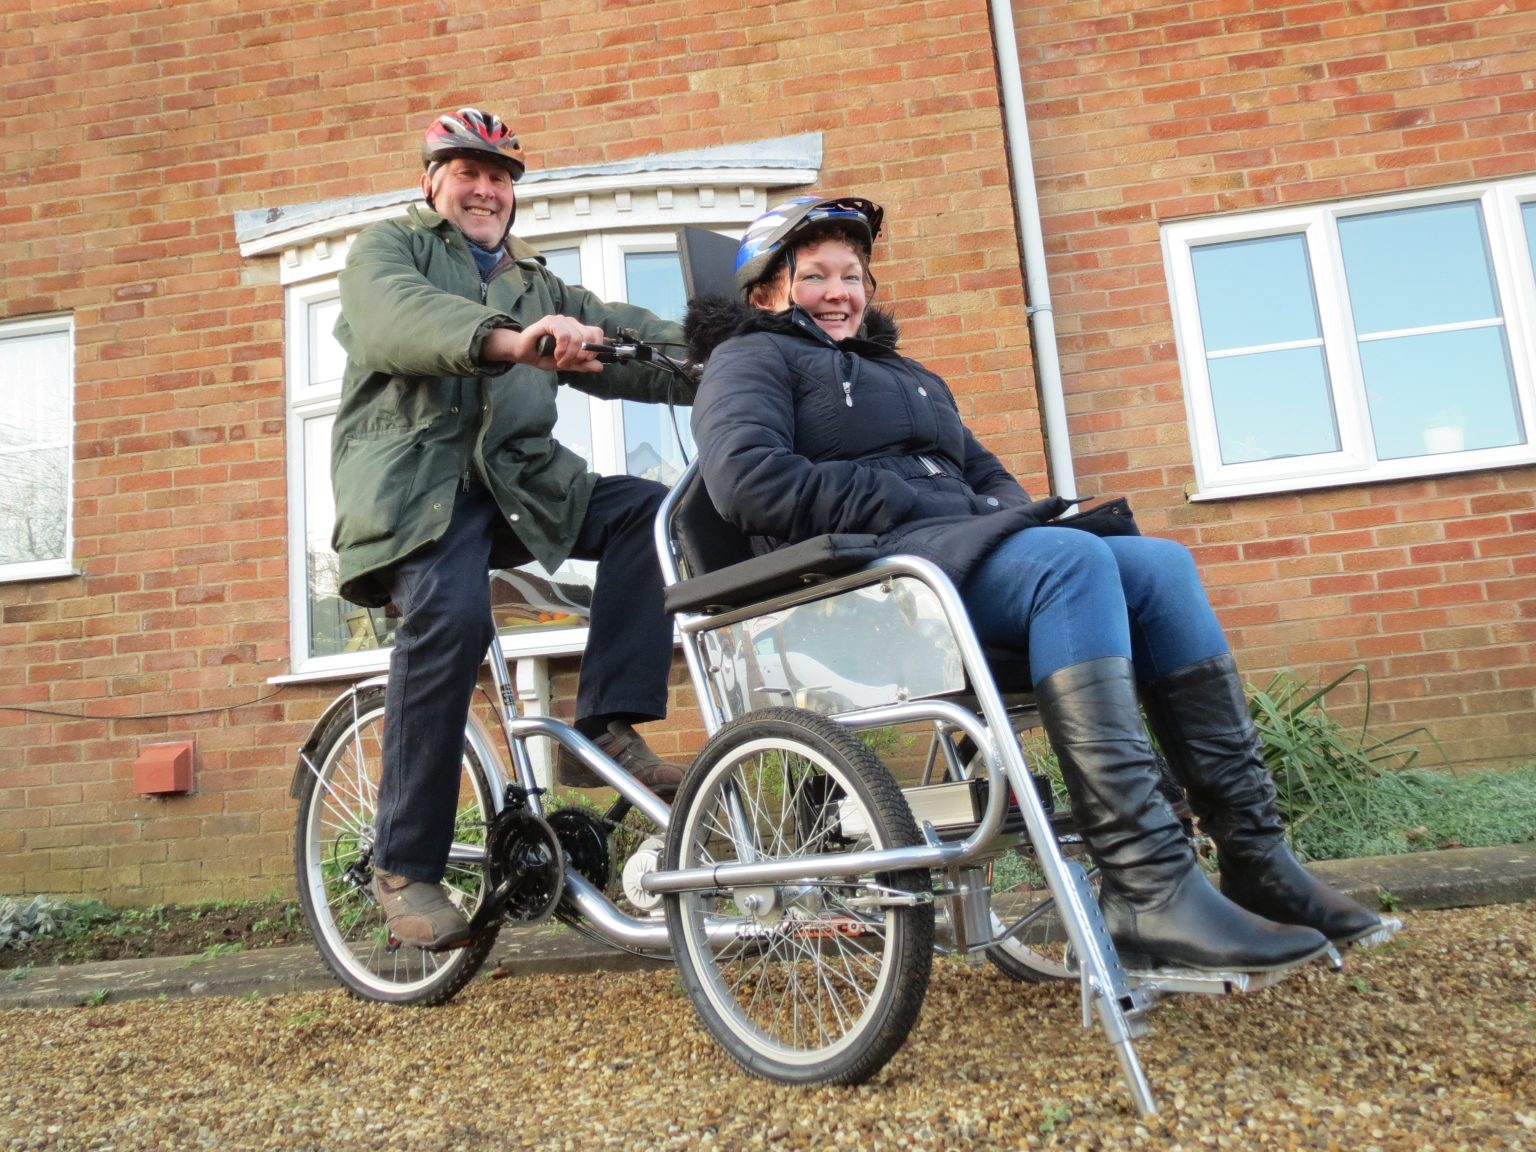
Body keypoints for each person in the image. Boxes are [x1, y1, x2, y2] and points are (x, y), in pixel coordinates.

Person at [685, 195, 1384, 973]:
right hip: (862, 591)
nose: (840, 293)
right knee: (1073, 563)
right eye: (814, 276)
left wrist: (1014, 516)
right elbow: (746, 481)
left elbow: (983, 470)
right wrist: (904, 504)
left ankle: (1257, 857)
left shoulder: (907, 376)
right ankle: (1147, 887)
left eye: (853, 275)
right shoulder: (749, 360)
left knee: (1157, 563)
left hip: (948, 558)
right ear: (764, 295)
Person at [331, 109, 695, 950]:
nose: (486, 188)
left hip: (519, 486)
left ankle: (604, 726)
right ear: (433, 183)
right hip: (418, 487)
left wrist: (742, 351)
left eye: (500, 177)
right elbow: (399, 319)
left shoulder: (540, 285)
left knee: (649, 510)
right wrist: (511, 343)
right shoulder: (389, 249)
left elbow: (629, 340)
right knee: (452, 623)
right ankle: (405, 866)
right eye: (468, 172)